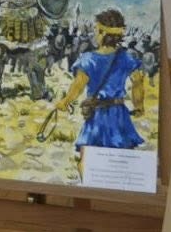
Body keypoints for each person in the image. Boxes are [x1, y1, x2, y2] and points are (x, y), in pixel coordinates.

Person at [54, 8, 147, 162]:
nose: (94, 34)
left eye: (96, 30)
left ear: (103, 33)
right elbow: (137, 82)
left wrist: (65, 102)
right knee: (121, 157)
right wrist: (139, 106)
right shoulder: (126, 58)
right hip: (119, 116)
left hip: (97, 117)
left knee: (91, 158)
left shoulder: (88, 59)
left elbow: (78, 86)